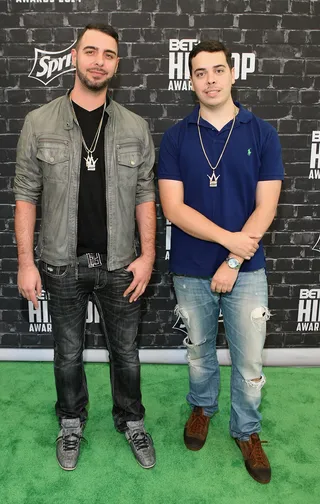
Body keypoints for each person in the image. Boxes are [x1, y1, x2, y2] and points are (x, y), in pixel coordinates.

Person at [14, 24, 156, 471]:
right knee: (68, 352)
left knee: (127, 353)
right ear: (74, 56)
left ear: (117, 64)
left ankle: (131, 421)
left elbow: (146, 197)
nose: (99, 61)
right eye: (90, 51)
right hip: (60, 263)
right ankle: (71, 423)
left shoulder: (135, 127)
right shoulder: (39, 122)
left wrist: (149, 256)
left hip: (120, 264)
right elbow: (25, 195)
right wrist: (25, 263)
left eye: (108, 54)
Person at [158, 40, 283, 484]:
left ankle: (246, 431)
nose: (209, 79)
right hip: (191, 268)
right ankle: (202, 409)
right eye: (199, 72)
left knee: (249, 362)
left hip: (246, 270)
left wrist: (232, 258)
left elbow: (266, 207)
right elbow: (174, 208)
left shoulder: (261, 132)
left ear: (233, 74)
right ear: (190, 80)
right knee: (198, 354)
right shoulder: (175, 136)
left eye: (217, 70)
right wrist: (228, 239)